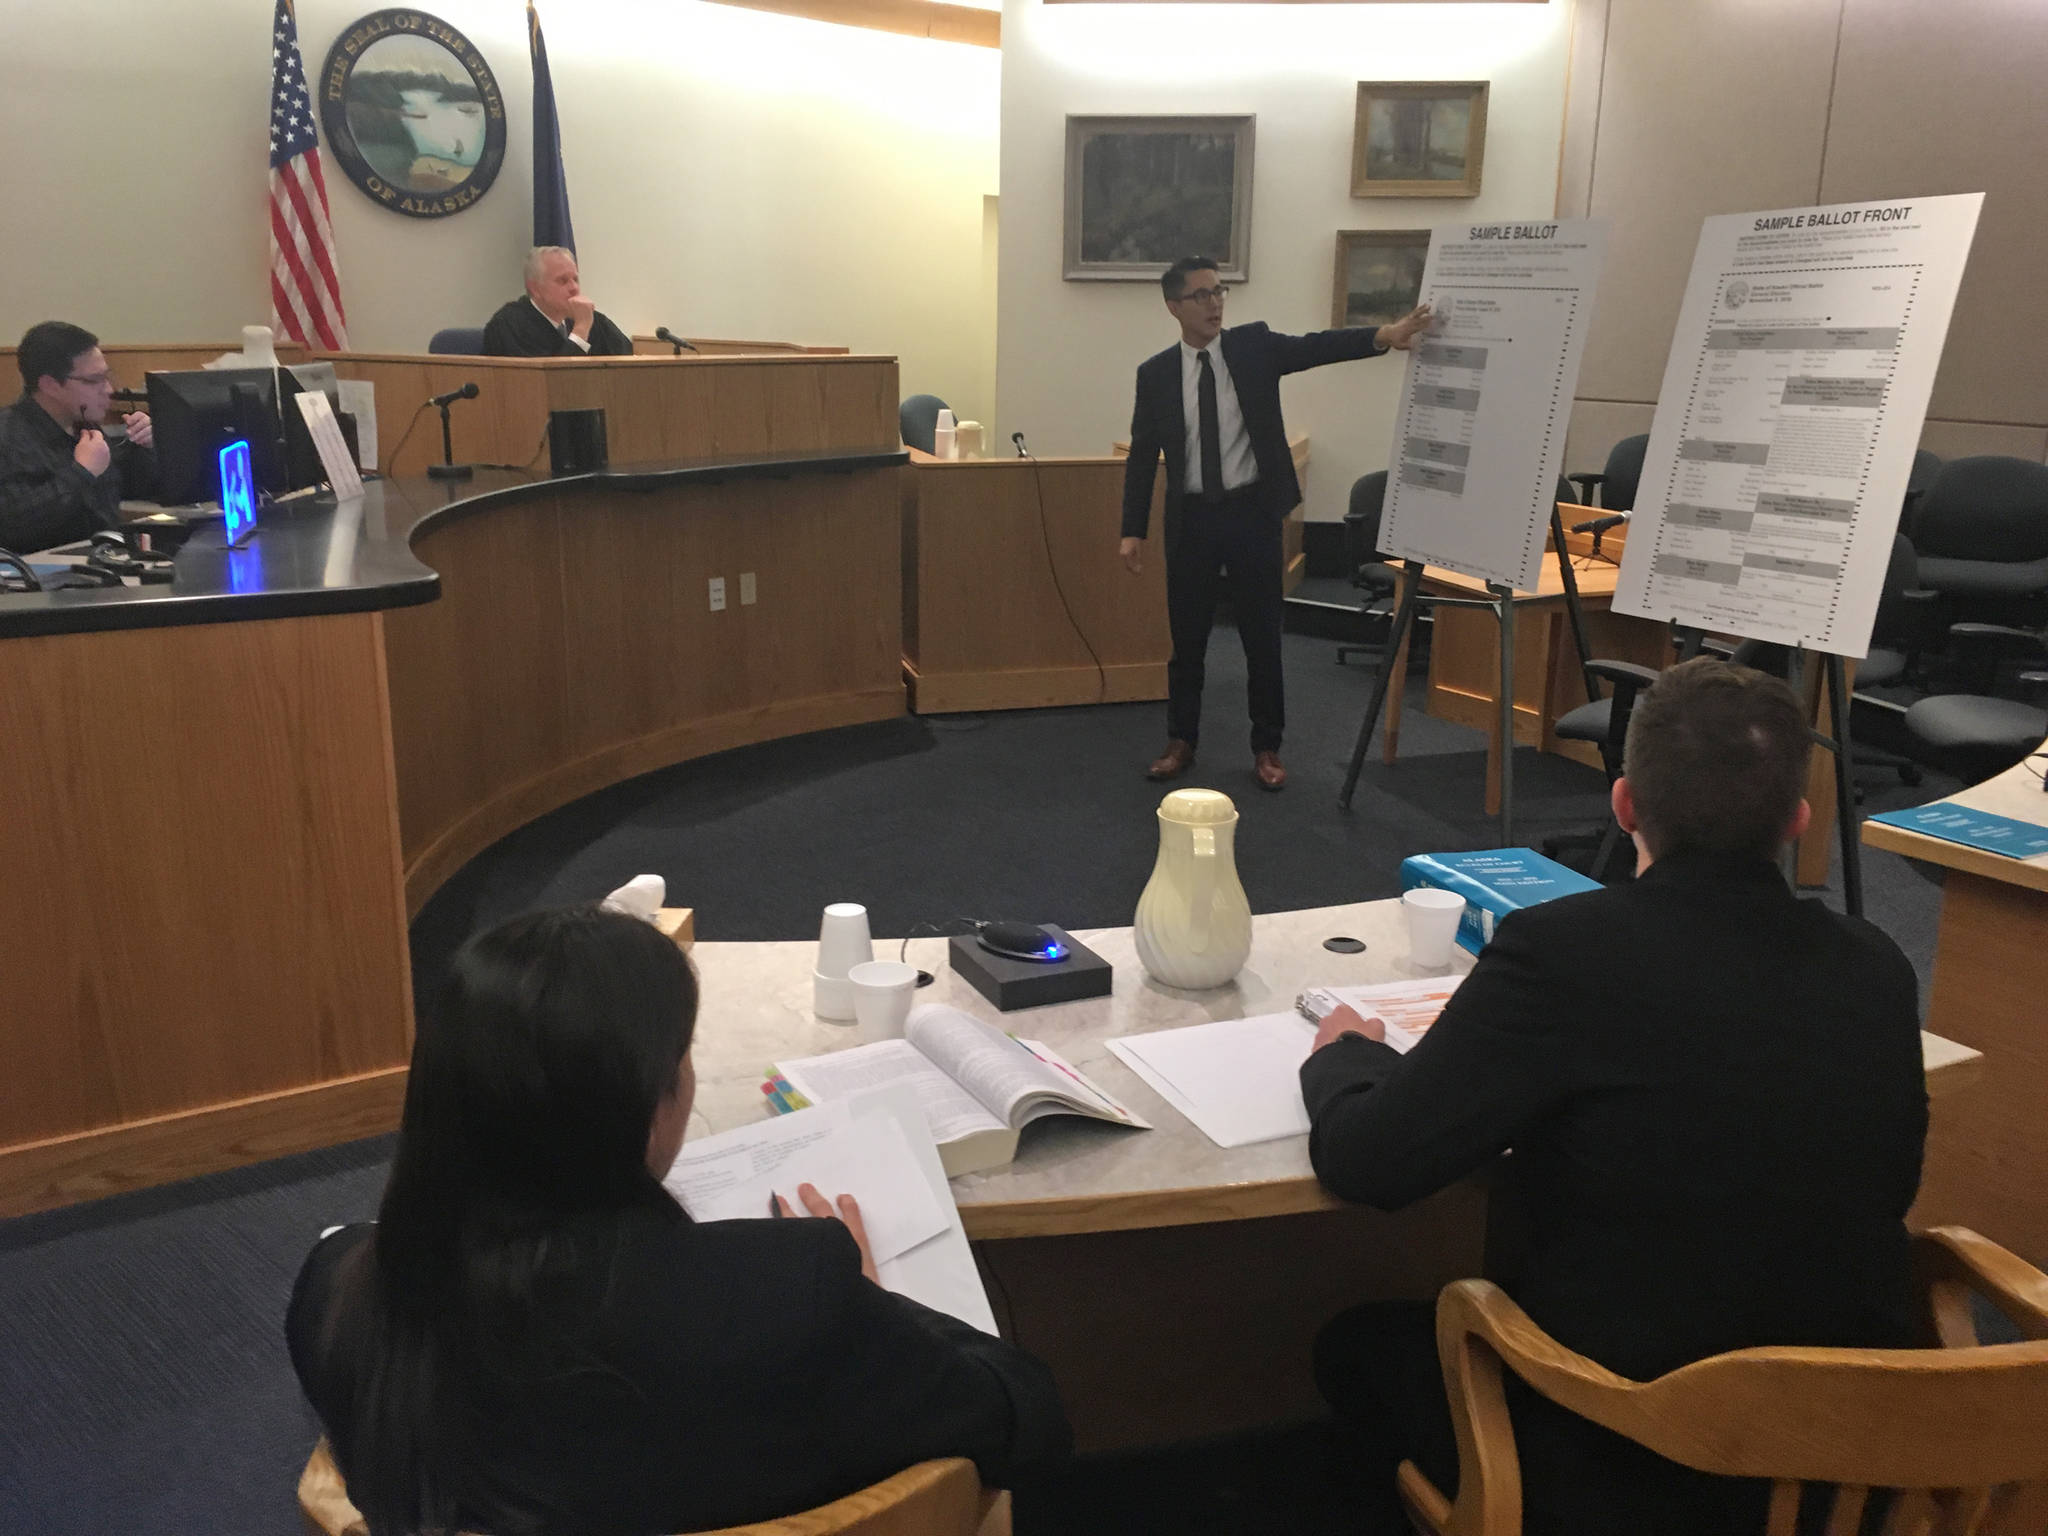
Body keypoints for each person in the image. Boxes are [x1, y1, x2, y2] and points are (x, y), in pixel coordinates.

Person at [1300, 657, 1926, 1535]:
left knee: (1355, 1349)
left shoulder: (1563, 953)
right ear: (1797, 820)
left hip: (1630, 1451)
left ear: (1624, 803)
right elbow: (1890, 1182)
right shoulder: (1878, 967)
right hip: (1855, 1457)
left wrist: (1343, 1058)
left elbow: (1370, 1160)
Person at [287, 906, 1068, 1536]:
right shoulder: (794, 1298)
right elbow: (1024, 1419)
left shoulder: (340, 1295)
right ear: (648, 1106)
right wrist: (878, 1300)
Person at [1119, 256, 1432, 792]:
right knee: (1187, 638)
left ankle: (1267, 746)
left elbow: (1316, 346)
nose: (1215, 303)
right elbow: (1143, 455)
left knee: (1262, 636)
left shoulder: (1253, 347)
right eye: (1201, 295)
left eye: (1219, 292)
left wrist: (1385, 334)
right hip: (1192, 520)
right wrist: (1132, 530)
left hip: (1250, 514)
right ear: (1173, 306)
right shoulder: (1156, 374)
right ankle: (1181, 740)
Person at [0, 321, 157, 553]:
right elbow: (13, 527)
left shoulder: (85, 426)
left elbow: (141, 488)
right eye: (94, 381)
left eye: (107, 376)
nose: (108, 389)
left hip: (103, 560)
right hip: (39, 577)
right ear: (50, 385)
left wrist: (147, 446)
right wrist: (82, 473)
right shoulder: (9, 436)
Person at [482, 246, 635, 357]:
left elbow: (630, 362)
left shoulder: (594, 321)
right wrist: (581, 330)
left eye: (575, 279)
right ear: (535, 289)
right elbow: (550, 381)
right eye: (562, 281)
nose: (574, 288)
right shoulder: (509, 324)